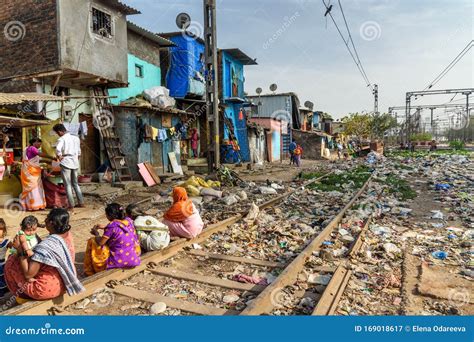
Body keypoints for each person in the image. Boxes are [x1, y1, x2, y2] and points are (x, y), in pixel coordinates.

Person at [4, 209, 83, 302]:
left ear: (51, 223)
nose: (44, 221)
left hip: (43, 290)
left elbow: (28, 275)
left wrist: (20, 250)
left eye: (47, 218)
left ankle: (23, 296)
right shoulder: (66, 236)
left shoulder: (44, 247)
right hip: (64, 284)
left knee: (11, 262)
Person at [84, 203, 141, 276]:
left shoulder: (111, 226)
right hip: (134, 258)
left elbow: (101, 243)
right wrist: (105, 227)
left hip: (118, 261)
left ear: (109, 216)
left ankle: (90, 270)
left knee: (92, 241)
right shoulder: (129, 221)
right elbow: (121, 229)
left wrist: (96, 234)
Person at [53, 124, 84, 210]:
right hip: (75, 161)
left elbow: (58, 149)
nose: (57, 134)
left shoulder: (61, 139)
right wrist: (76, 159)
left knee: (68, 184)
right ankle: (81, 202)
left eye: (57, 133)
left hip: (66, 161)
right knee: (75, 183)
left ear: (60, 132)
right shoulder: (76, 138)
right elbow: (79, 152)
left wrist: (59, 156)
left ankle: (71, 205)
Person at [20, 138, 49, 211]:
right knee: (33, 187)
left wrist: (49, 161)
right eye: (38, 143)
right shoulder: (32, 148)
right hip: (31, 172)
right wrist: (52, 157)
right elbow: (40, 154)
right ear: (34, 142)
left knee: (34, 188)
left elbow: (37, 159)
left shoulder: (27, 149)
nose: (40, 145)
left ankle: (34, 205)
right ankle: (34, 205)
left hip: (30, 172)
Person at [0, 219, 9, 296]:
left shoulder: (6, 242)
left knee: (2, 280)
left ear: (4, 230)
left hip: (2, 264)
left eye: (0, 229)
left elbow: (14, 248)